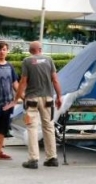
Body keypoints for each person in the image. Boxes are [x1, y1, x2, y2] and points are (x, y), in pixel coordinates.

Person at [14, 41, 63, 169]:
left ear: (30, 51)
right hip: (48, 99)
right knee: (49, 127)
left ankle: (33, 159)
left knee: (32, 128)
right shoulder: (49, 60)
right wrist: (59, 97)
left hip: (32, 100)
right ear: (40, 49)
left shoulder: (27, 61)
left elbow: (23, 81)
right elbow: (55, 80)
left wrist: (17, 97)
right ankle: (52, 158)